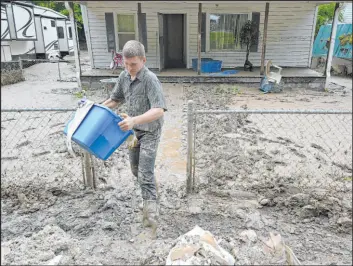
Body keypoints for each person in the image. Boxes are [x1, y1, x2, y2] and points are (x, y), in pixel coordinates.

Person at [103, 40, 167, 233]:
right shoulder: (124, 76)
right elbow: (115, 100)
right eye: (126, 63)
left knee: (145, 174)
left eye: (134, 64)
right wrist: (95, 109)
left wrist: (134, 120)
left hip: (150, 131)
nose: (130, 68)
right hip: (133, 133)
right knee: (135, 169)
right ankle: (154, 192)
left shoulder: (150, 79)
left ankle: (151, 218)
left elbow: (159, 110)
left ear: (143, 60)